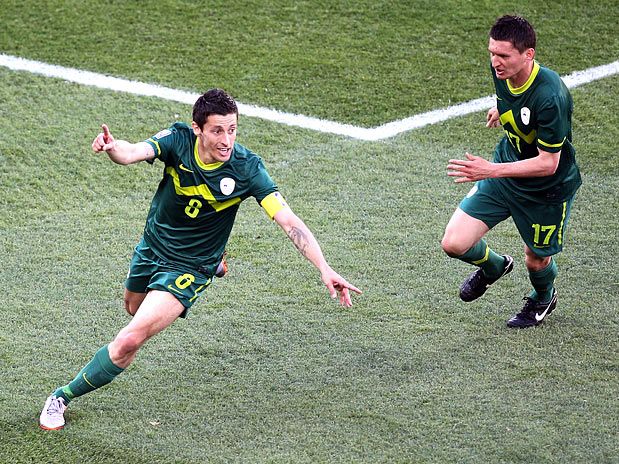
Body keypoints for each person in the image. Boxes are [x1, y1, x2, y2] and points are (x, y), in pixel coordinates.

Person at [39, 88, 362, 430]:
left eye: (232, 130)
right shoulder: (178, 140)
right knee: (133, 308)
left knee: (130, 339)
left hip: (191, 267)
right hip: (153, 246)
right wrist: (111, 147)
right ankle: (215, 263)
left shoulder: (247, 169)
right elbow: (133, 152)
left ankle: (61, 397)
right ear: (198, 129)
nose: (227, 140)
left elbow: (288, 221)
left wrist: (324, 267)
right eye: (218, 131)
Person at [441, 15, 581, 328]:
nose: (495, 61)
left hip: (546, 189)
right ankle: (494, 267)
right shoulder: (502, 71)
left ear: (528, 54)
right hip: (507, 173)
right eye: (492, 53)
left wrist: (491, 170)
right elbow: (513, 101)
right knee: (454, 243)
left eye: (503, 55)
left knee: (536, 259)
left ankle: (543, 297)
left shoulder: (551, 96)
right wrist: (503, 111)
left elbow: (548, 163)